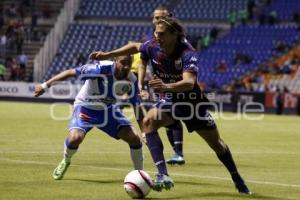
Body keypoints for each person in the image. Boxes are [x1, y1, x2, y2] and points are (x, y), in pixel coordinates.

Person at [89, 17, 251, 194]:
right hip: (171, 99)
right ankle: (163, 174)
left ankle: (236, 177)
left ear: (174, 34)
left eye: (162, 34)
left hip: (192, 103)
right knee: (149, 122)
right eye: (155, 33)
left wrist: (166, 86)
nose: (157, 37)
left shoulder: (187, 53)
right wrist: (106, 55)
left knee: (216, 144)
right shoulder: (153, 45)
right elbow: (136, 47)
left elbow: (189, 83)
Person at [34, 55, 144, 180]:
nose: (125, 67)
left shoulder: (131, 80)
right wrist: (45, 86)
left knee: (134, 138)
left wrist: (145, 132)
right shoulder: (100, 69)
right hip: (85, 106)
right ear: (115, 61)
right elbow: (70, 72)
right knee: (75, 138)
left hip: (107, 110)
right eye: (123, 63)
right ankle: (66, 159)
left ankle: (140, 175)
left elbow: (136, 106)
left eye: (128, 64)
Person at [141, 5, 186, 165]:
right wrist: (142, 85)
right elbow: (143, 61)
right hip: (161, 84)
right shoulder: (152, 40)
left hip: (177, 85)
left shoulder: (178, 39)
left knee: (169, 117)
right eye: (156, 17)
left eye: (162, 17)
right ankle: (177, 153)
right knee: (167, 119)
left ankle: (178, 153)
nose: (158, 20)